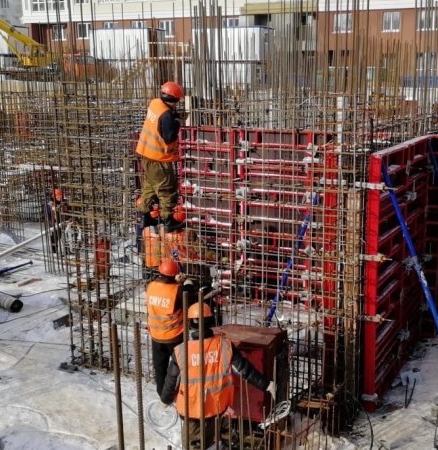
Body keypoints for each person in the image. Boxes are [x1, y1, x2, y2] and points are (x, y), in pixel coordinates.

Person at [160, 303, 277, 449]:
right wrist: (266, 384)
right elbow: (245, 370)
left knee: (193, 445)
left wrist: (165, 398)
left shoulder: (181, 351)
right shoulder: (224, 346)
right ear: (211, 321)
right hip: (216, 408)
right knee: (210, 441)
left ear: (189, 323)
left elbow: (171, 380)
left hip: (192, 411)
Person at [135, 81, 186, 233]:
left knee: (150, 186)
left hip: (145, 154)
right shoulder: (167, 116)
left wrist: (172, 116)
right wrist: (176, 123)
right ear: (175, 100)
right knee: (166, 189)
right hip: (159, 158)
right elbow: (169, 137)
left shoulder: (155, 103)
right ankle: (168, 220)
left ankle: (146, 215)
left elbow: (160, 120)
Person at [146, 258, 195, 396]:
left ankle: (162, 394)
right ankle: (180, 394)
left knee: (159, 368)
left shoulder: (151, 286)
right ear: (175, 275)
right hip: (174, 336)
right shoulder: (177, 290)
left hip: (156, 336)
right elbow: (190, 299)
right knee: (178, 367)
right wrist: (188, 283)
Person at [45, 188, 67, 254]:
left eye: (60, 196)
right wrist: (53, 209)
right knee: (54, 237)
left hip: (60, 222)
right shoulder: (50, 204)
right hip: (53, 222)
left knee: (61, 235)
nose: (59, 198)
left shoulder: (62, 202)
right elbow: (47, 212)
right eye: (58, 196)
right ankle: (54, 250)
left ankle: (65, 250)